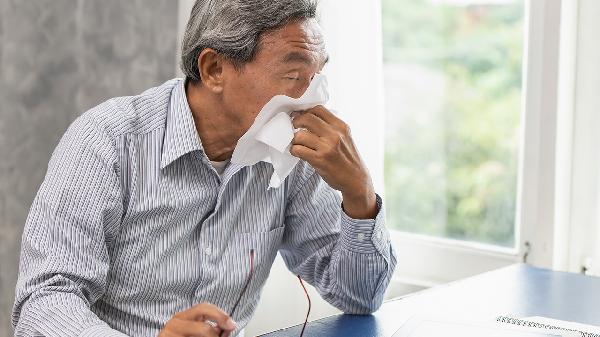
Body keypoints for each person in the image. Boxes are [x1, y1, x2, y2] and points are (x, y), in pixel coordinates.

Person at [12, 0, 397, 336]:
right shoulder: (107, 142)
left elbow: (360, 297)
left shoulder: (290, 153)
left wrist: (358, 193)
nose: (311, 100)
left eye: (317, 78)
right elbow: (42, 304)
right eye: (294, 77)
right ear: (214, 69)